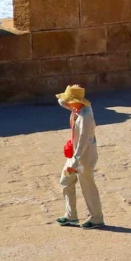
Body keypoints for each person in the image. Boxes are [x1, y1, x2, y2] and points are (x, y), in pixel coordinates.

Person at [55, 84, 104, 229]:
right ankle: (71, 216)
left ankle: (97, 218)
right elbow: (61, 102)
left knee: (88, 187)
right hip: (76, 155)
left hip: (84, 157)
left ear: (76, 100)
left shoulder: (85, 117)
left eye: (69, 100)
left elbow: (83, 141)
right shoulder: (77, 108)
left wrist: (75, 162)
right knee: (66, 181)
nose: (67, 103)